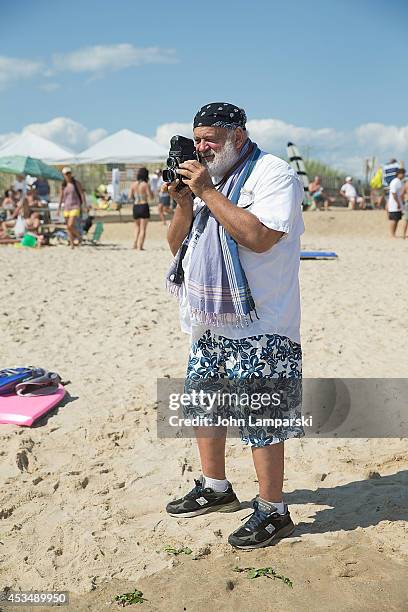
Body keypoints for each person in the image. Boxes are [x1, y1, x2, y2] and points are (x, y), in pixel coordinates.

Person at [164, 102, 304, 550]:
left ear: (238, 137)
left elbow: (261, 237)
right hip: (210, 315)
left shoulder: (273, 174)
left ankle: (274, 510)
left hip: (262, 318)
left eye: (211, 140)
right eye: (198, 139)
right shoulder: (211, 180)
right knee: (206, 403)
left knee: (262, 416)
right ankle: (216, 487)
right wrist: (186, 202)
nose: (202, 148)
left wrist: (207, 192)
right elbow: (176, 246)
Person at [58, 167, 86, 249]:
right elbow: (61, 197)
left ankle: (79, 237)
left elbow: (81, 194)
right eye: (66, 174)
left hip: (75, 206)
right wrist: (59, 208)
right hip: (66, 207)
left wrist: (84, 205)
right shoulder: (63, 185)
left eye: (69, 173)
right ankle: (72, 244)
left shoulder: (76, 183)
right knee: (68, 227)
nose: (68, 175)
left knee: (70, 225)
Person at [129, 167, 153, 250]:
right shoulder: (145, 185)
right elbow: (151, 197)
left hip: (136, 206)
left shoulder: (133, 184)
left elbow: (130, 197)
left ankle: (134, 244)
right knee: (143, 228)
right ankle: (140, 246)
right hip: (143, 205)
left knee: (136, 227)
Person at [386, 167, 405, 238]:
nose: (403, 175)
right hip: (394, 204)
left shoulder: (398, 181)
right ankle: (392, 234)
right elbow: (394, 194)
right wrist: (398, 203)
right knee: (394, 219)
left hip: (397, 204)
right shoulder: (395, 181)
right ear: (398, 174)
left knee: (396, 219)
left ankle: (393, 234)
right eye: (402, 174)